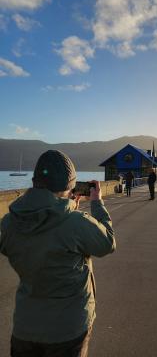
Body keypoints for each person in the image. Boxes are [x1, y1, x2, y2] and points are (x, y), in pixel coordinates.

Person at [0, 150, 116, 357]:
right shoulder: (75, 222)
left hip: (25, 329)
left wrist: (65, 209)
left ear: (36, 180)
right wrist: (96, 202)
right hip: (67, 330)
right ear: (68, 185)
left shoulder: (9, 222)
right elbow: (107, 242)